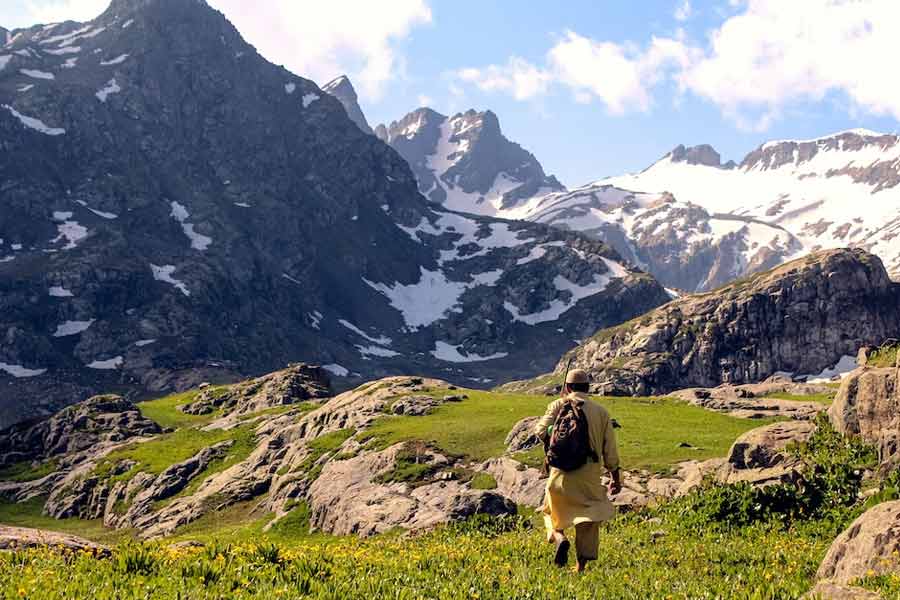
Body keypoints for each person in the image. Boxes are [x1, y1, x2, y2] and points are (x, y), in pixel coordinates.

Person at [534, 368, 622, 573]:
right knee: (588, 518)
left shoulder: (558, 405)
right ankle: (580, 566)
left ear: (568, 387)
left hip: (560, 471)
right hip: (589, 473)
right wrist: (615, 477)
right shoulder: (601, 412)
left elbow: (540, 430)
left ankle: (559, 536)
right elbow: (610, 450)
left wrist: (553, 434)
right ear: (588, 387)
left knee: (550, 510)